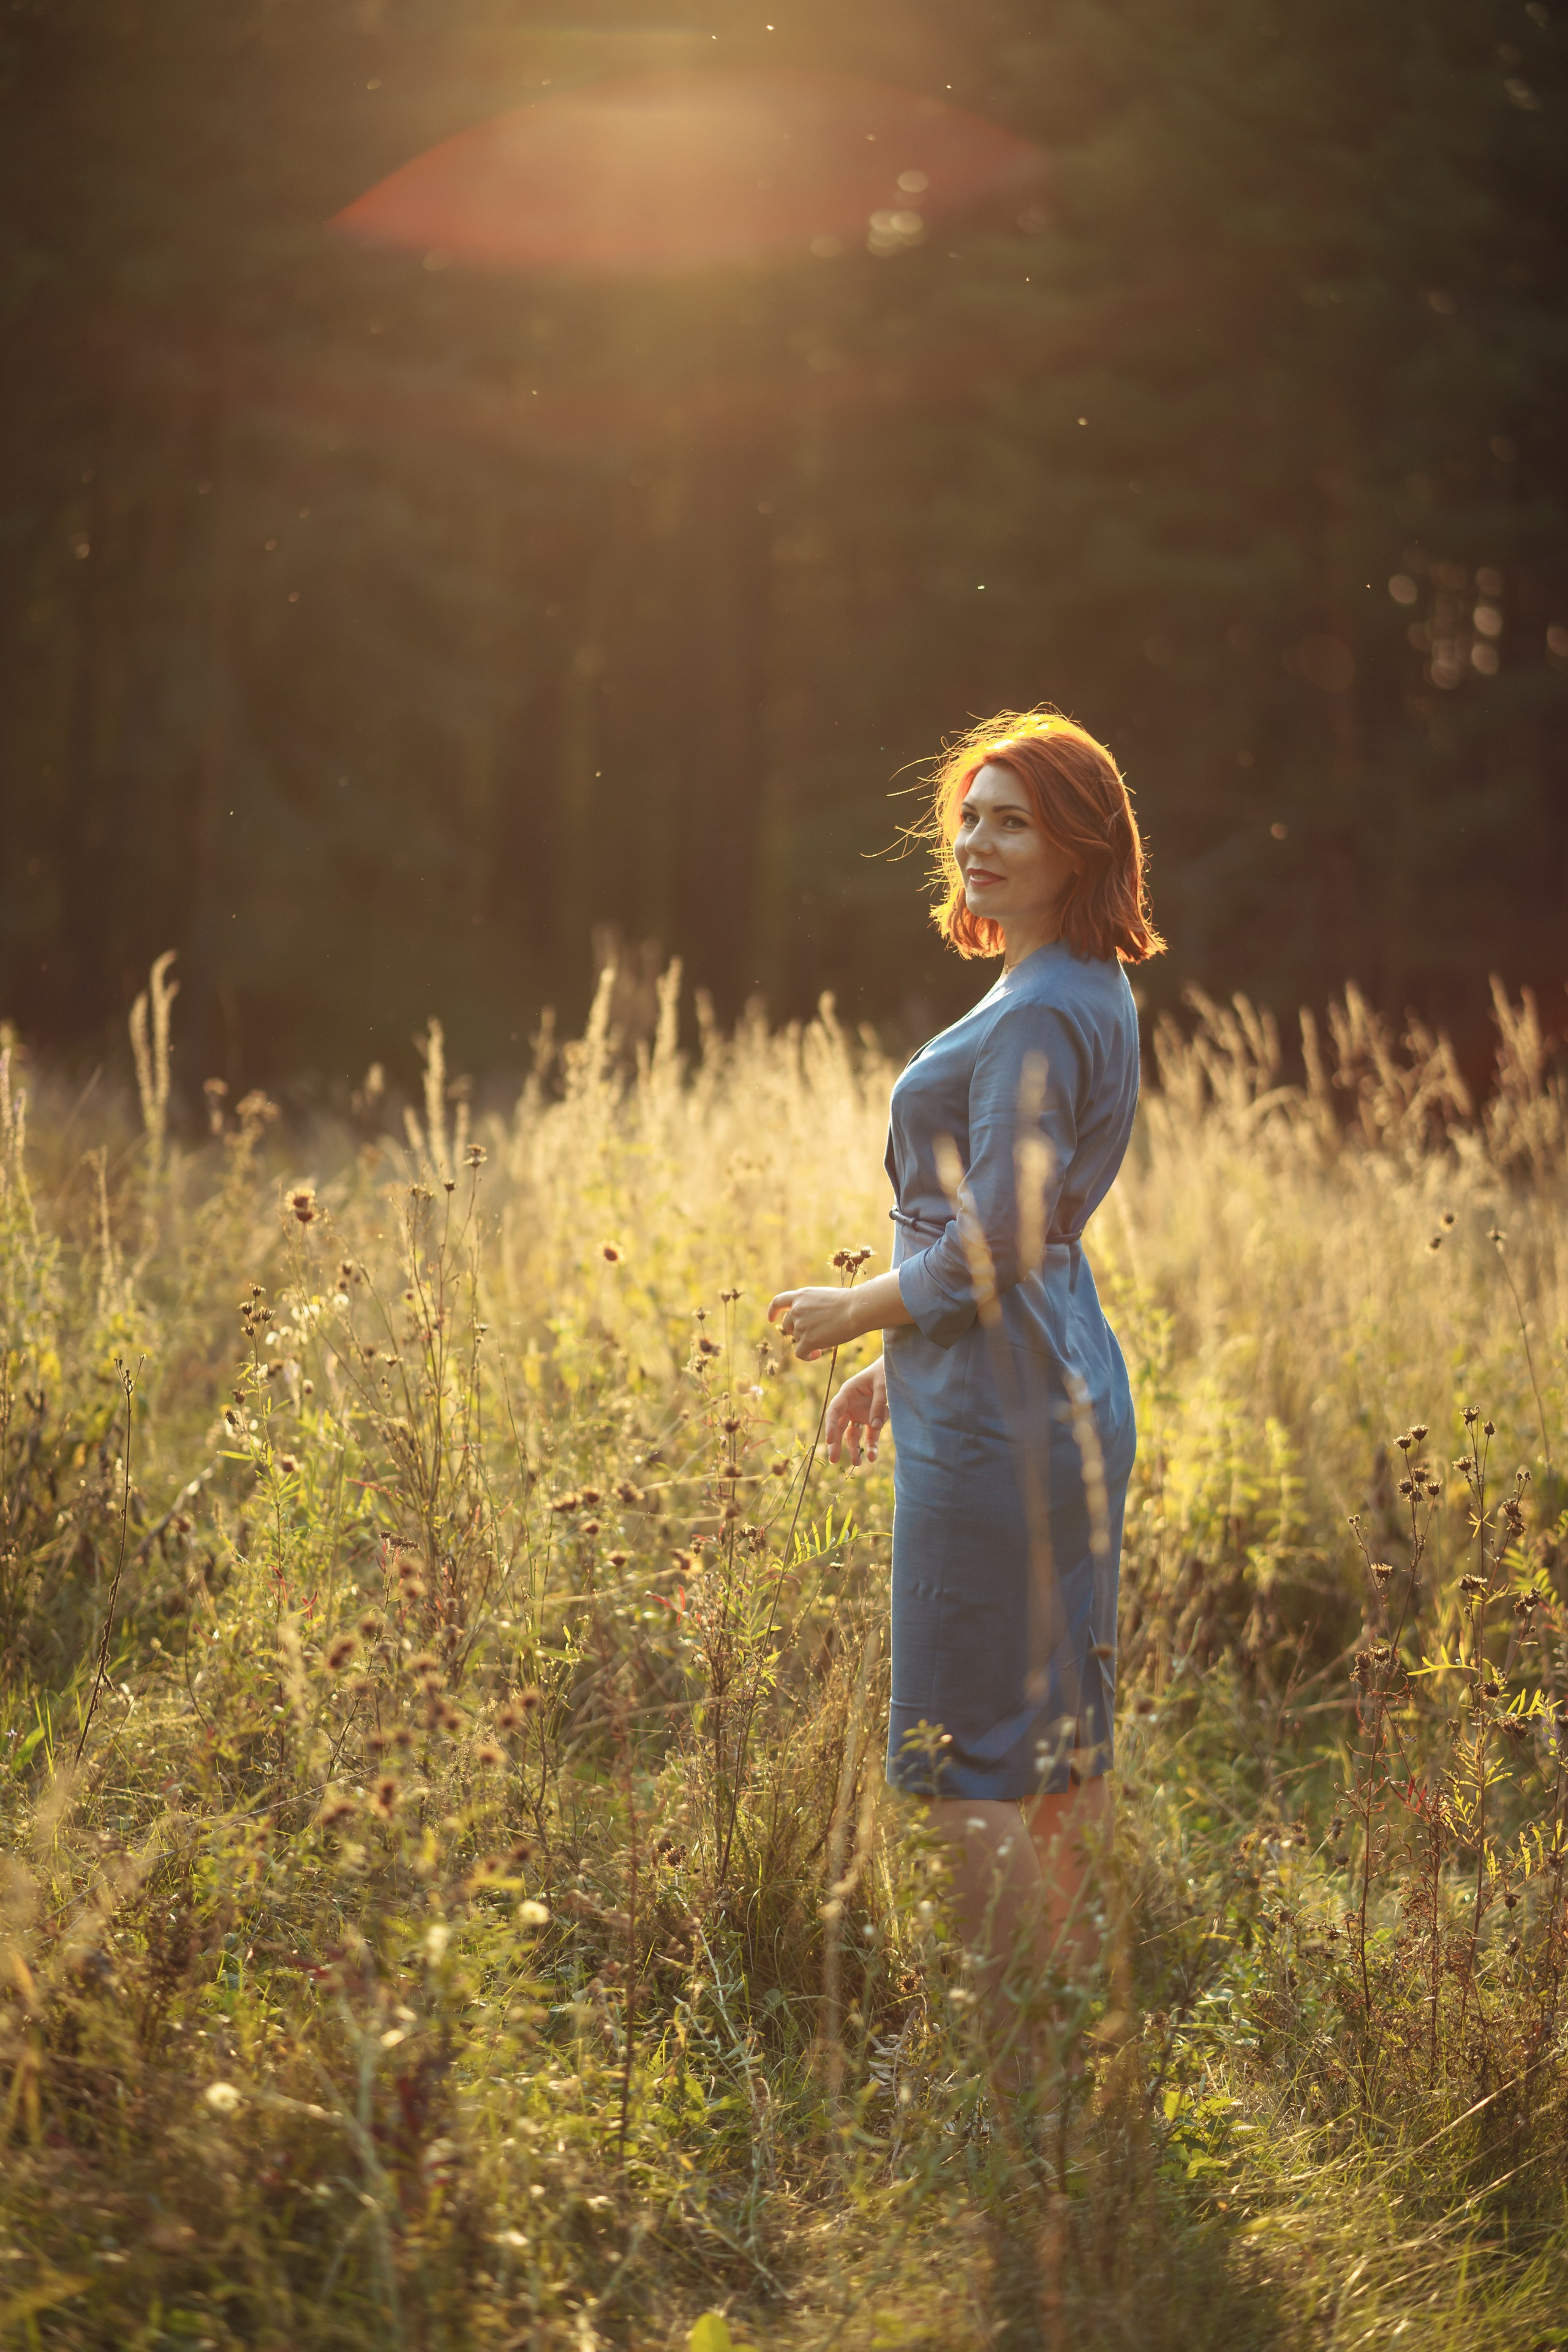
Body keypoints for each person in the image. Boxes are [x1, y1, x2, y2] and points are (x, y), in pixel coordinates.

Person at [768, 707, 1163, 2088]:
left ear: (1078, 844)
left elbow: (992, 1237)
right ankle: (1071, 2050)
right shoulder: (1068, 987)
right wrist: (897, 1361)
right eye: (968, 817)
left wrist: (847, 1314)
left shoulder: (1048, 1005)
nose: (977, 842)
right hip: (1033, 1385)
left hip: (1001, 1416)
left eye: (1010, 820)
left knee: (958, 1759)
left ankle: (1018, 2080)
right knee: (1051, 1744)